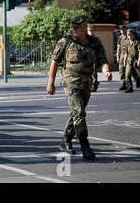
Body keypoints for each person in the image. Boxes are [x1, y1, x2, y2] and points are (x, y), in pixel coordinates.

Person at [46, 15, 112, 160]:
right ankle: (85, 145)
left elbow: (102, 60)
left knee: (77, 113)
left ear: (84, 27)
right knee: (79, 112)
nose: (74, 29)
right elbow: (54, 62)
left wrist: (106, 70)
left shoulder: (94, 42)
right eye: (73, 27)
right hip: (71, 82)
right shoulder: (65, 41)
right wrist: (50, 83)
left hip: (87, 83)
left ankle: (65, 140)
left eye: (77, 27)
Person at [123, 29, 140, 93]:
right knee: (127, 74)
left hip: (136, 59)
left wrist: (139, 60)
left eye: (131, 35)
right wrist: (124, 61)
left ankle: (138, 81)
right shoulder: (127, 43)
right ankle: (130, 87)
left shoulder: (137, 42)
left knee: (138, 74)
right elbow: (126, 53)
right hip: (129, 60)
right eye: (128, 35)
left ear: (133, 35)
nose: (129, 36)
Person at [87, 25, 99, 92]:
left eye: (92, 31)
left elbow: (100, 50)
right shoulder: (84, 39)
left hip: (94, 59)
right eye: (89, 31)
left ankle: (94, 86)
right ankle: (89, 85)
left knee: (94, 73)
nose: (91, 32)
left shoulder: (96, 39)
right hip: (86, 59)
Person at [117, 25, 129, 91]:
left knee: (129, 71)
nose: (122, 31)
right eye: (121, 29)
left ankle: (129, 85)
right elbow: (118, 48)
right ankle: (123, 84)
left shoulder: (129, 36)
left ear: (125, 29)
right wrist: (117, 57)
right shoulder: (120, 37)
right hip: (122, 55)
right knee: (121, 70)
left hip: (128, 55)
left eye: (123, 29)